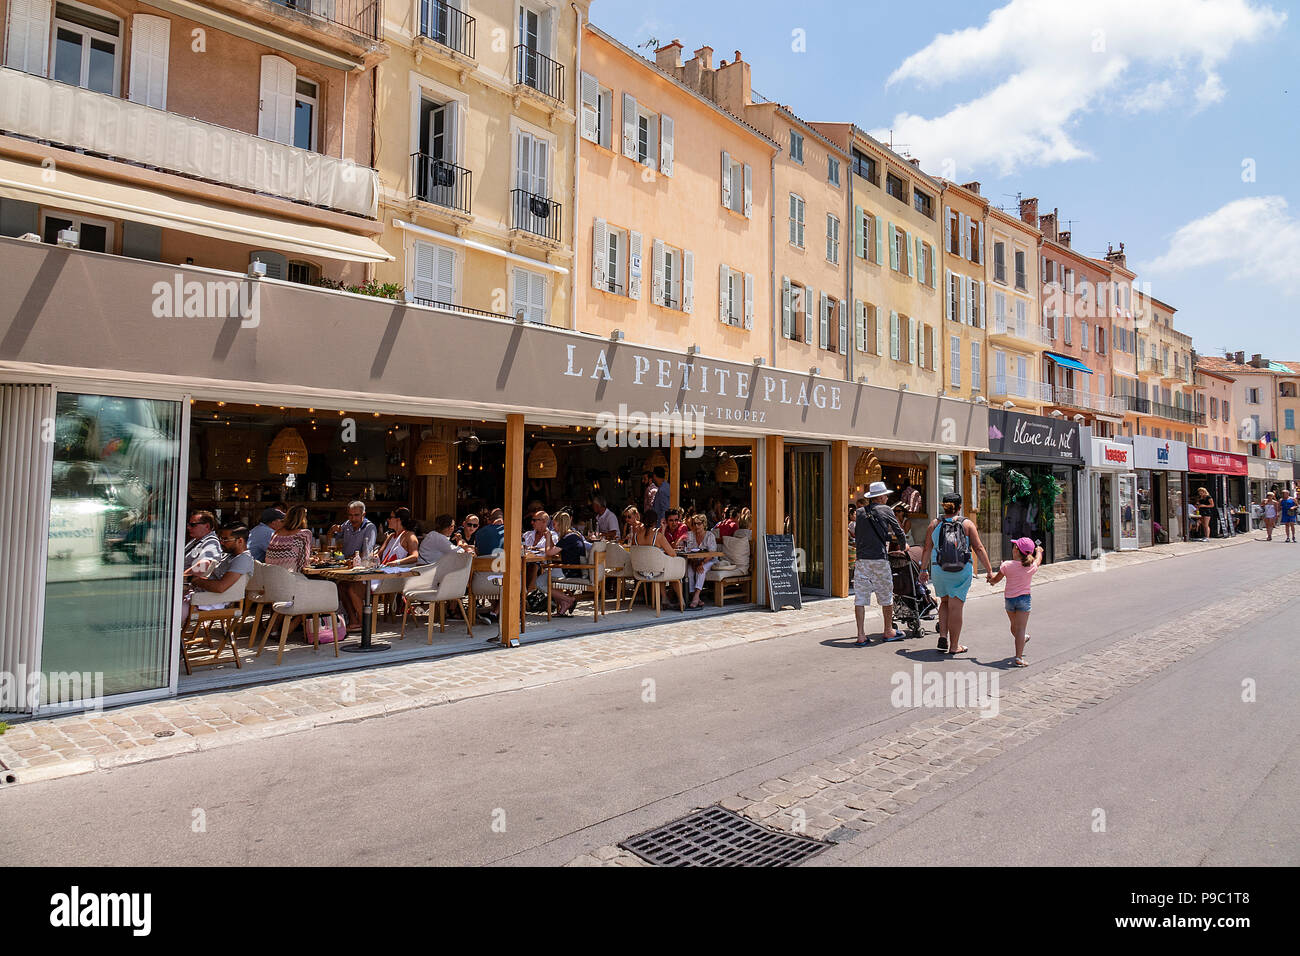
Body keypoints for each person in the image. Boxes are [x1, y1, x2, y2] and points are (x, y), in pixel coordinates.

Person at [919, 492, 994, 656]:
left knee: (944, 603)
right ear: (959, 507)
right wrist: (989, 570)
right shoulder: (967, 524)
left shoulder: (934, 524)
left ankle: (942, 636)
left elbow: (927, 548)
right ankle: (954, 645)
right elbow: (979, 548)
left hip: (939, 569)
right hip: (961, 570)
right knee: (956, 607)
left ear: (943, 506)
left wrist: (923, 570)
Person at [852, 483, 908, 645]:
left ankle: (861, 635)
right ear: (881, 497)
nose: (887, 498)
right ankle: (888, 630)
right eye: (885, 496)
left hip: (862, 559)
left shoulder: (860, 512)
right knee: (886, 595)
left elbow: (860, 534)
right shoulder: (886, 510)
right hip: (879, 559)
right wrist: (904, 548)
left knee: (860, 598)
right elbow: (899, 532)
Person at [987, 537, 1042, 667]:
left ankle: (1021, 639)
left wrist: (990, 580)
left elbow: (995, 580)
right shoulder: (1030, 566)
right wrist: (1039, 551)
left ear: (1016, 550)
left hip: (1010, 600)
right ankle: (1018, 657)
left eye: (1014, 546)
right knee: (1021, 629)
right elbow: (1038, 561)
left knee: (1014, 626)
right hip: (1024, 599)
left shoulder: (1006, 565)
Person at [184, 523, 254, 621]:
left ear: (240, 541)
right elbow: (207, 568)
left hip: (210, 601)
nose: (221, 542)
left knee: (170, 610)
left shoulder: (243, 559)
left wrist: (194, 580)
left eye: (225, 539)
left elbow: (220, 587)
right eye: (220, 539)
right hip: (199, 596)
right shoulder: (228, 555)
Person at [632, 509, 688, 612]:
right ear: (655, 522)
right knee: (671, 567)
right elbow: (673, 553)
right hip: (655, 572)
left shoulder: (635, 536)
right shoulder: (657, 536)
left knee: (661, 566)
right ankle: (682, 601)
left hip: (640, 572)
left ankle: (665, 599)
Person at [549, 512, 585, 616]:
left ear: (560, 524)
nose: (553, 527)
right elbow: (555, 551)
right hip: (575, 569)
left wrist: (547, 536)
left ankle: (569, 600)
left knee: (541, 581)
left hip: (571, 571)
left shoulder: (568, 538)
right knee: (549, 576)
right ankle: (564, 605)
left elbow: (549, 552)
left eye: (554, 524)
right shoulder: (573, 535)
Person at [682, 513, 718, 609]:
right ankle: (694, 596)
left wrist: (701, 563)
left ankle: (696, 596)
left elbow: (712, 553)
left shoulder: (710, 535)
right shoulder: (690, 535)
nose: (696, 526)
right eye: (694, 524)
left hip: (709, 560)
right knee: (688, 570)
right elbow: (686, 549)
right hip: (694, 560)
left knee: (701, 571)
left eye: (699, 524)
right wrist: (694, 563)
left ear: (704, 524)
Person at [265, 505, 314, 572]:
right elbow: (303, 564)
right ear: (303, 519)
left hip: (271, 578)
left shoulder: (277, 533)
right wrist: (312, 561)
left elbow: (282, 558)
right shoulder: (303, 535)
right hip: (290, 579)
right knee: (328, 583)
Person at [183, 510, 222, 576]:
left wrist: (182, 577)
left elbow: (204, 565)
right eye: (188, 524)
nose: (188, 528)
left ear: (207, 526)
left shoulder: (211, 542)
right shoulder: (195, 540)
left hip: (190, 584)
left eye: (193, 525)